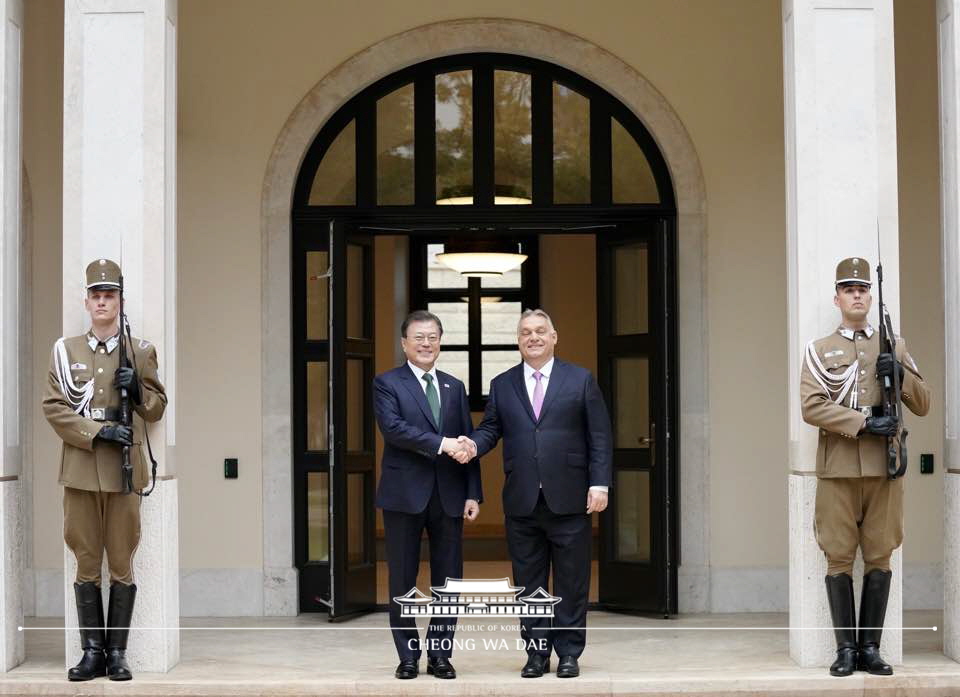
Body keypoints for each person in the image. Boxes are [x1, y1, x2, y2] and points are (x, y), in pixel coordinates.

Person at [458, 308, 612, 678]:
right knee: (530, 584)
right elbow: (491, 429)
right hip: (523, 499)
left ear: (554, 336)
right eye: (526, 332)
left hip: (571, 496)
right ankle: (537, 654)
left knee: (572, 581)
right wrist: (472, 446)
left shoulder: (580, 380)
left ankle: (570, 653)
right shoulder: (503, 384)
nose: (533, 337)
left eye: (541, 331)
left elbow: (600, 436)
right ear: (518, 340)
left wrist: (599, 483)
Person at [800, 257, 930, 677]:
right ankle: (845, 651)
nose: (857, 295)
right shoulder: (820, 351)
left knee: (880, 555)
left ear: (870, 298)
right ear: (837, 298)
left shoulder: (894, 345)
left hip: (885, 468)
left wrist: (902, 375)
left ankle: (871, 648)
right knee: (838, 558)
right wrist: (861, 423)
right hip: (838, 468)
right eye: (849, 289)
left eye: (862, 289)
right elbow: (811, 406)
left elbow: (923, 404)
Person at [42, 259, 167, 682]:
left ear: (119, 301)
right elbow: (55, 408)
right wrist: (97, 432)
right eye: (96, 295)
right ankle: (92, 652)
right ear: (87, 301)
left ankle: (118, 653)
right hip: (80, 470)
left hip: (124, 472)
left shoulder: (140, 350)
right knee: (85, 560)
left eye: (109, 295)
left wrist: (136, 391)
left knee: (121, 561)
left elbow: (157, 406)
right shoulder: (66, 350)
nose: (102, 301)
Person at [373, 310, 482, 680]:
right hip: (404, 495)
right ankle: (407, 655)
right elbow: (395, 430)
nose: (426, 343)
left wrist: (474, 493)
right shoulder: (387, 383)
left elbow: (468, 442)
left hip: (449, 495)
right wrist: (442, 443)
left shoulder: (454, 386)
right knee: (402, 578)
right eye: (418, 337)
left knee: (448, 580)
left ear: (440, 342)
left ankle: (440, 655)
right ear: (404, 343)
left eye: (432, 337)